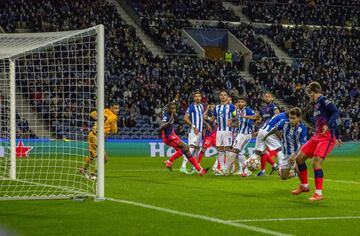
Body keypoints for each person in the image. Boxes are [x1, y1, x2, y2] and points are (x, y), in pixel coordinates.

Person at [291, 82, 342, 201]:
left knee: (316, 163)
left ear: (312, 92)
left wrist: (330, 128)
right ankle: (304, 186)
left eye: (309, 93)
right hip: (317, 136)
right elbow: (333, 118)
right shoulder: (317, 105)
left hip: (327, 137)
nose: (309, 96)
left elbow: (336, 112)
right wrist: (338, 134)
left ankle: (318, 193)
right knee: (299, 159)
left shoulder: (324, 100)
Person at [162, 100, 209, 176]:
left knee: (185, 151)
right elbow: (162, 125)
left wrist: (175, 100)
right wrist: (168, 122)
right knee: (186, 147)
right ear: (169, 109)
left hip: (172, 135)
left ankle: (200, 170)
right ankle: (169, 161)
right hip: (169, 136)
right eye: (172, 108)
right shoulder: (166, 116)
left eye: (175, 108)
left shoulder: (168, 112)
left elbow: (167, 106)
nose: (174, 110)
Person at [263, 107, 307, 180]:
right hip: (286, 153)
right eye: (290, 118)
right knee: (283, 177)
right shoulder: (284, 122)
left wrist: (295, 155)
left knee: (298, 169)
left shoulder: (302, 128)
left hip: (296, 152)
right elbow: (275, 129)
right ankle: (293, 173)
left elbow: (303, 144)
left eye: (293, 118)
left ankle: (303, 185)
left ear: (299, 118)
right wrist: (266, 136)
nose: (291, 120)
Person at [80, 101, 120, 180]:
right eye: (115, 108)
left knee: (92, 156)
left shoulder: (104, 110)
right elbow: (115, 131)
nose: (117, 110)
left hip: (92, 134)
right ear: (111, 108)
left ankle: (83, 170)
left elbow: (92, 114)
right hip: (96, 137)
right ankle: (94, 174)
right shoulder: (113, 117)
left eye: (118, 108)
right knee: (104, 158)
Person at [224, 97, 255, 176]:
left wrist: (246, 117)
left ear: (245, 103)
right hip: (242, 133)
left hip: (244, 134)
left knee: (234, 150)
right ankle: (246, 168)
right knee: (238, 152)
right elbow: (240, 123)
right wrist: (232, 124)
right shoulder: (238, 111)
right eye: (239, 102)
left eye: (242, 102)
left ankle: (226, 170)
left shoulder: (248, 110)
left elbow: (257, 117)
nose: (240, 103)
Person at [212, 90, 237, 175]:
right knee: (219, 149)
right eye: (221, 95)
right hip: (219, 131)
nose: (223, 96)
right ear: (219, 97)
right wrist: (210, 119)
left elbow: (235, 117)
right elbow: (214, 117)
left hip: (227, 131)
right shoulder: (216, 107)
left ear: (227, 97)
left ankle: (227, 168)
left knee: (227, 149)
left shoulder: (232, 107)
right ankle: (223, 169)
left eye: (225, 95)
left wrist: (232, 120)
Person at [180, 90, 204, 174]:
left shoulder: (201, 106)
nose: (198, 98)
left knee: (197, 150)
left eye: (199, 96)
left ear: (201, 97)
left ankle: (194, 167)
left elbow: (201, 118)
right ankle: (183, 166)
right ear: (194, 98)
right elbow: (185, 118)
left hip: (200, 132)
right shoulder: (191, 106)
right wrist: (193, 127)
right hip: (194, 131)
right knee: (191, 149)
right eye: (196, 96)